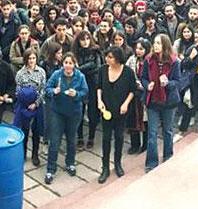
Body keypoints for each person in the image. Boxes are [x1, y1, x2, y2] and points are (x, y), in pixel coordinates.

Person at [142, 34, 185, 172]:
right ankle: (151, 162)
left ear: (165, 45)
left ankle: (168, 156)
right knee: (152, 133)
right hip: (153, 101)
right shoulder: (148, 60)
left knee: (167, 131)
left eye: (158, 43)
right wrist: (147, 84)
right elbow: (143, 78)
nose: (155, 46)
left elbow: (178, 82)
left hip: (168, 102)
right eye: (154, 43)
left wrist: (168, 83)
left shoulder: (174, 62)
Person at [44, 53, 89, 184]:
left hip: (74, 113)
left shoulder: (80, 76)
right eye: (66, 63)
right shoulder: (56, 74)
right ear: (62, 64)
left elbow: (85, 92)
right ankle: (50, 169)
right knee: (55, 141)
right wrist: (53, 91)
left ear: (74, 64)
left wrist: (76, 94)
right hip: (57, 112)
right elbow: (47, 88)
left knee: (71, 139)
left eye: (70, 63)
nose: (68, 65)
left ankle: (70, 163)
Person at [96, 46, 137, 183]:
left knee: (119, 137)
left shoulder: (128, 72)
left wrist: (126, 103)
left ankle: (118, 163)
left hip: (121, 110)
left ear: (118, 58)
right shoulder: (103, 70)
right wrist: (99, 101)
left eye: (110, 57)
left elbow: (132, 90)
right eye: (107, 56)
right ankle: (105, 167)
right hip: (106, 110)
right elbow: (99, 87)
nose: (107, 59)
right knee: (106, 138)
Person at [13, 49, 46, 165]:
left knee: (36, 131)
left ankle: (35, 154)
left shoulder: (41, 71)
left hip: (37, 104)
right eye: (29, 58)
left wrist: (36, 103)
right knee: (24, 130)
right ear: (25, 59)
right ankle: (23, 153)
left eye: (33, 58)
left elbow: (43, 90)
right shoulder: (20, 73)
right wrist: (24, 99)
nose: (31, 61)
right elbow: (17, 90)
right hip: (24, 105)